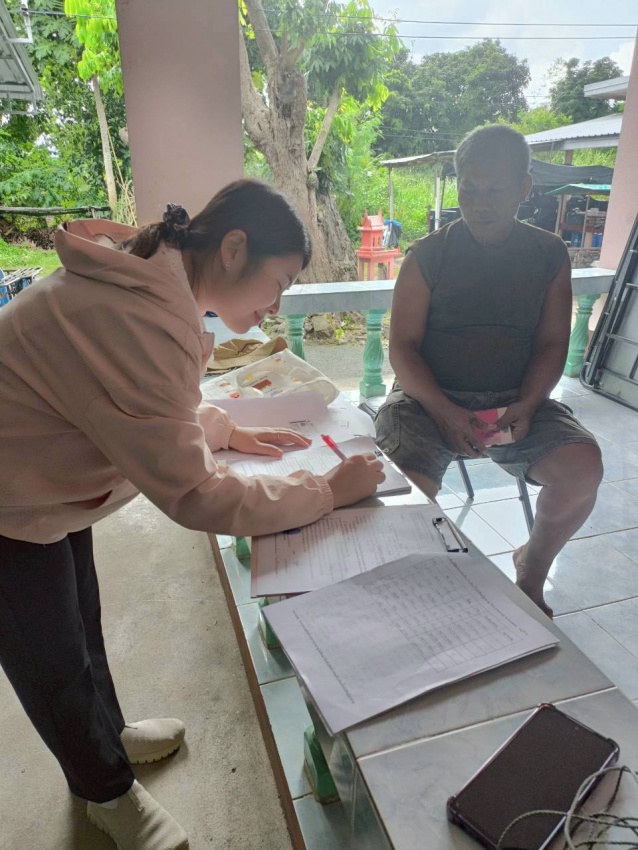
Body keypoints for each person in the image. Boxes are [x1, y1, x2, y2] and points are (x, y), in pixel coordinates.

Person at [0, 178, 384, 850]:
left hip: (39, 480)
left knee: (81, 621)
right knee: (50, 658)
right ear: (234, 249)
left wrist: (223, 428)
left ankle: (107, 737)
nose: (276, 305)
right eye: (279, 282)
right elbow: (196, 495)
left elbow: (141, 404)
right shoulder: (141, 315)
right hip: (10, 496)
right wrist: (325, 491)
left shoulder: (153, 285)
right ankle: (105, 792)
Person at [375, 125, 603, 618]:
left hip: (516, 402)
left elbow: (551, 343)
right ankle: (413, 602)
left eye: (495, 189)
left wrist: (528, 404)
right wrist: (445, 410)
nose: (479, 203)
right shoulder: (427, 255)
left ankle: (531, 570)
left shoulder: (548, 254)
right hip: (426, 402)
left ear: (524, 188)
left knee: (583, 469)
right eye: (469, 189)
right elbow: (403, 349)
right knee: (404, 495)